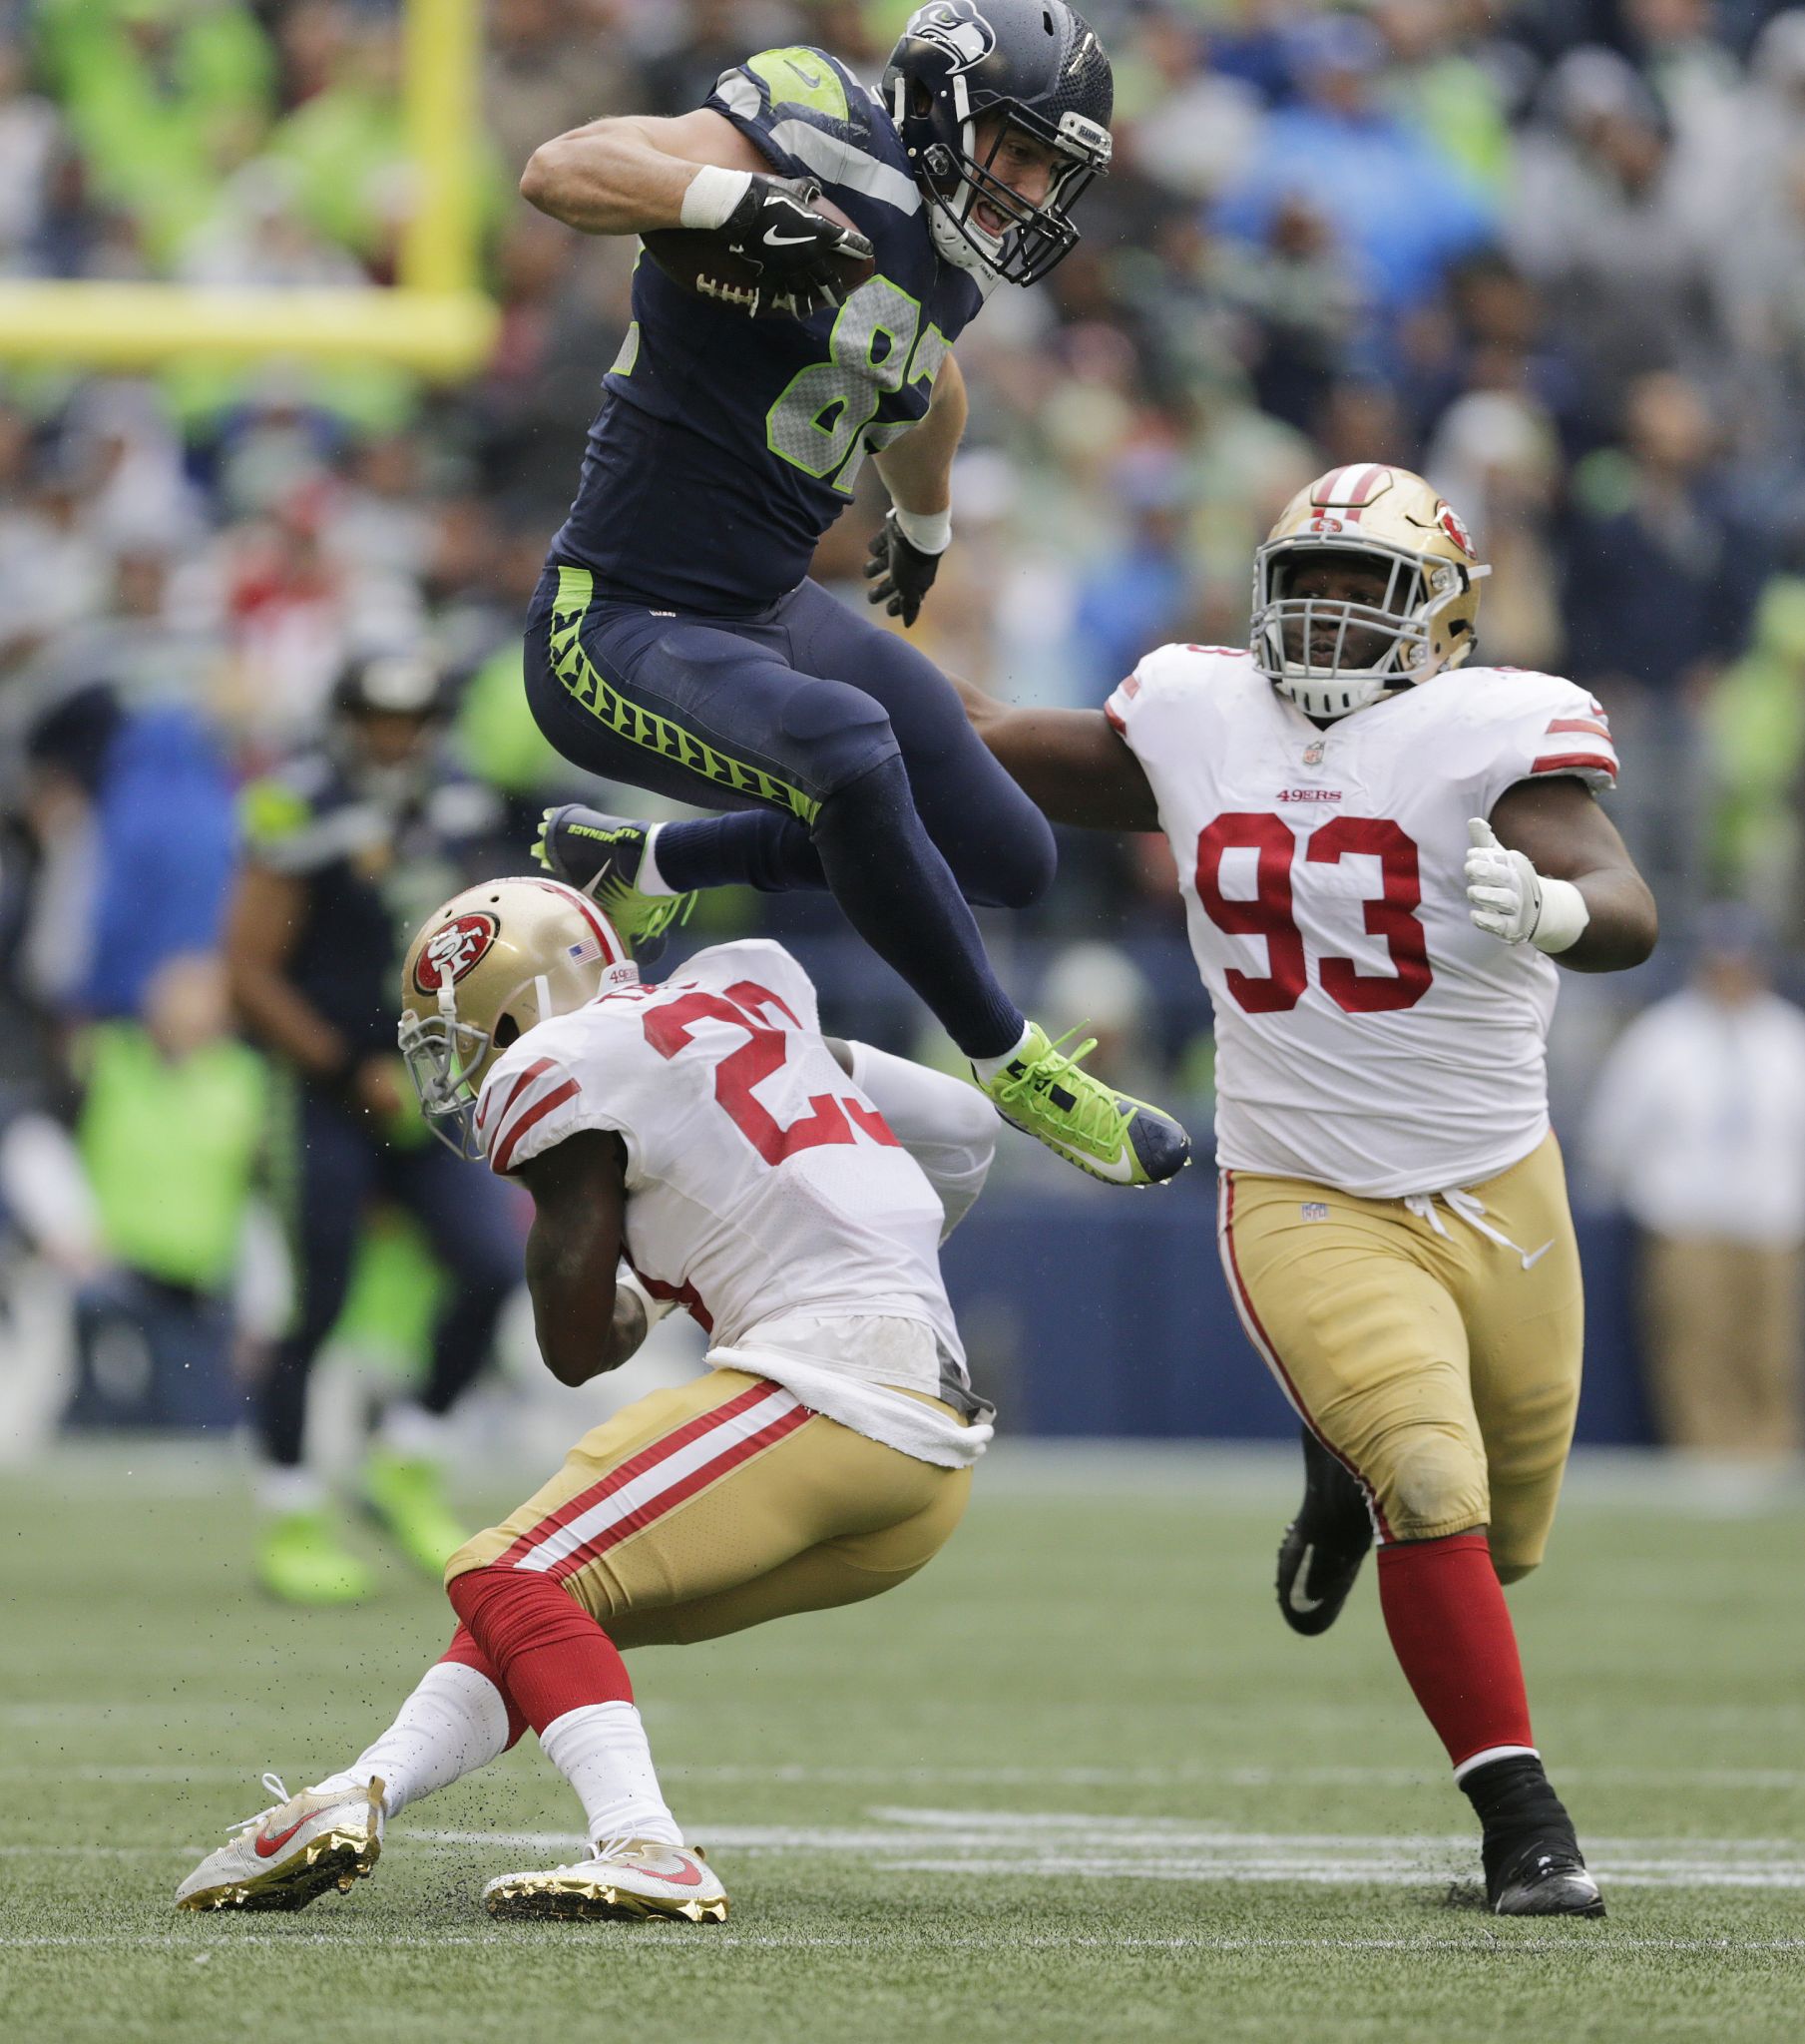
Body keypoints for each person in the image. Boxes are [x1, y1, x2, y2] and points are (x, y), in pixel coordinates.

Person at [951, 464, 1659, 1915]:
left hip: (1496, 1184)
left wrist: (1560, 909)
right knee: (1433, 1482)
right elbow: (981, 740)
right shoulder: (1200, 711)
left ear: (1444, 619)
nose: (1330, 614)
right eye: (1309, 582)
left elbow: (1625, 908)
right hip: (1301, 1184)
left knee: (1500, 1540)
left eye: (1367, 587)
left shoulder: (1492, 728)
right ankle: (1525, 1828)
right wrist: (792, 641)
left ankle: (1336, 1469)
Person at [175, 874, 997, 1922]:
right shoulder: (749, 1007)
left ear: (519, 1002)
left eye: (464, 1033)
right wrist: (862, 1270)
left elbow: (572, 1349)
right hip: (926, 1456)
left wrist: (643, 1274)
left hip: (829, 1390)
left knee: (500, 1567)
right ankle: (358, 1790)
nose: (465, 1063)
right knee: (554, 1603)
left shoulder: (561, 1066)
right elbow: (968, 1125)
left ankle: (644, 1842)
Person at [510, 1, 1188, 1190]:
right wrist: (721, 201)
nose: (1028, 186)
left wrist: (920, 522)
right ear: (939, 107)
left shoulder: (942, 254)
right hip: (617, 620)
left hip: (765, 608)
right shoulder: (812, 128)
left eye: (1049, 166)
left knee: (1009, 856)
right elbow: (560, 169)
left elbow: (931, 378)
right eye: (1015, 148)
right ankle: (1011, 1060)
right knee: (850, 744)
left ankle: (652, 865)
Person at [226, 652, 520, 1605]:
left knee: (491, 1263)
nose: (397, 739)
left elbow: (485, 930)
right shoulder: (295, 804)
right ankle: (292, 1510)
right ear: (347, 719)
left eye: (413, 719)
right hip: (326, 1092)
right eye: (380, 719)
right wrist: (341, 1062)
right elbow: (249, 969)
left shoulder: (461, 798)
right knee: (318, 1300)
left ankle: (406, 1456)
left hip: (426, 1088)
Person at [1583, 907, 1805, 1458]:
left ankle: (1769, 1460)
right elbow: (1612, 1133)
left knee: (1771, 1353)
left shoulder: (1787, 1038)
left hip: (1771, 1227)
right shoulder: (1662, 1038)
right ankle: (1706, 1460)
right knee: (1694, 1350)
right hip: (1686, 1226)